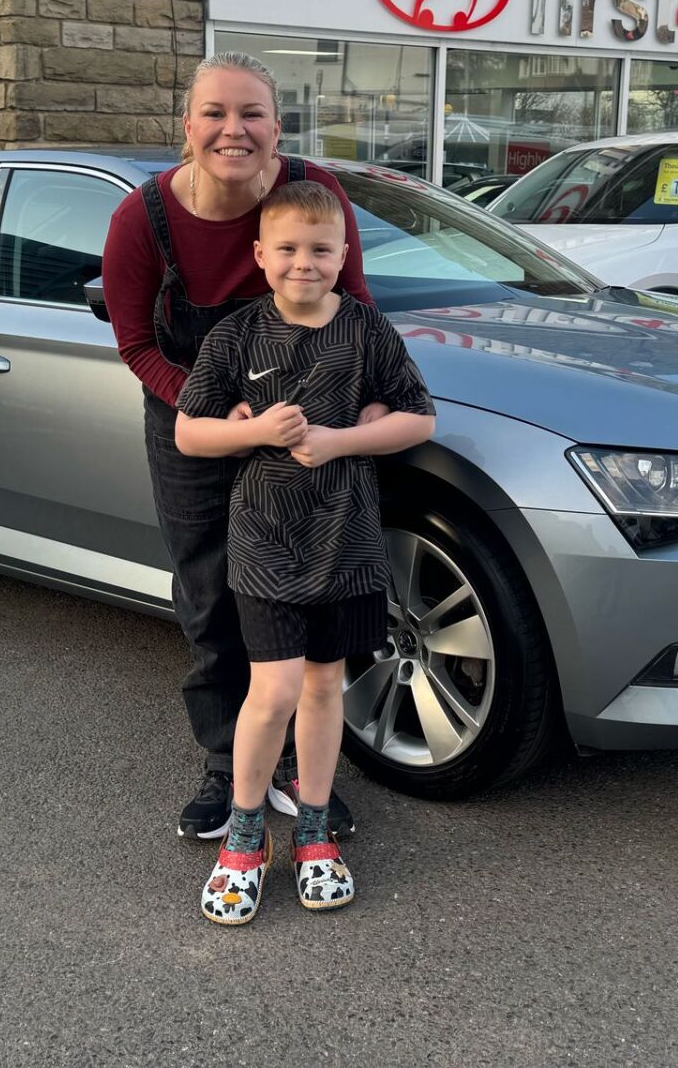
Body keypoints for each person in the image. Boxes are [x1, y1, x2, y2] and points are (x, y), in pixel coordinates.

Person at [101, 52, 383, 840]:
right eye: (216, 114)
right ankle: (227, 766)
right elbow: (136, 346)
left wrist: (353, 417)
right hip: (193, 423)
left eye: (252, 113)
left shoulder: (314, 197)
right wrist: (217, 414)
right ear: (187, 128)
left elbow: (353, 304)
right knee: (212, 592)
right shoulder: (142, 220)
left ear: (277, 126)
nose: (235, 129)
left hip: (298, 425)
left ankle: (302, 772)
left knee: (305, 588)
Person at [175, 181, 434, 921]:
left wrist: (343, 438)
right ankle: (246, 837)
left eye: (321, 250)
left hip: (347, 542)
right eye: (287, 249)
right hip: (265, 543)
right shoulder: (236, 336)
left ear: (344, 255)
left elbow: (418, 419)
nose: (303, 264)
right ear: (260, 256)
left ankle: (314, 831)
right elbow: (192, 432)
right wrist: (255, 431)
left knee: (326, 688)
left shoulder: (366, 330)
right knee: (274, 691)